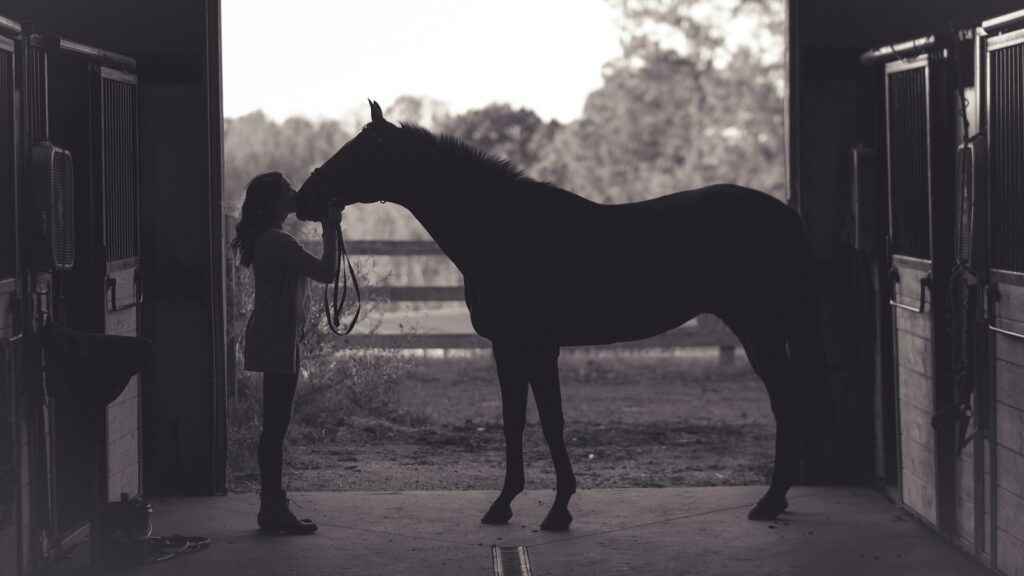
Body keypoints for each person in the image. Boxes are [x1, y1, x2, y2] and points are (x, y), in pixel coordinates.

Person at [230, 171, 341, 534]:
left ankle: (272, 506)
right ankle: (273, 509)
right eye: (289, 189)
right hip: (277, 337)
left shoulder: (269, 239)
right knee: (276, 428)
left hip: (274, 335)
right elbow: (327, 271)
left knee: (274, 427)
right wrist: (331, 228)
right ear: (278, 201)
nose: (295, 192)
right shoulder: (278, 242)